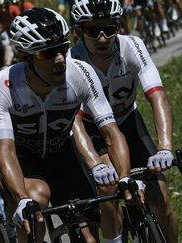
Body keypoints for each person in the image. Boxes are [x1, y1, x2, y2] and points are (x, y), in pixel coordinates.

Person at [0, 8, 139, 242]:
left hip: (62, 154)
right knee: (34, 209)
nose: (59, 60)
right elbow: (5, 149)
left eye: (62, 49)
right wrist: (20, 198)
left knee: (89, 235)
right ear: (25, 57)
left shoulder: (80, 72)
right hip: (24, 160)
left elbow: (110, 131)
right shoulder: (0, 85)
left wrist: (125, 176)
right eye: (47, 54)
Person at [69, 0, 178, 242]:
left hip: (129, 120)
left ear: (119, 26)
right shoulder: (71, 61)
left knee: (160, 199)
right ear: (79, 31)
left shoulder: (132, 46)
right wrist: (97, 164)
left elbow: (157, 95)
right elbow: (73, 120)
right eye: (92, 30)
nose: (101, 37)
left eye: (109, 29)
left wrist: (165, 147)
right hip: (93, 130)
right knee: (110, 189)